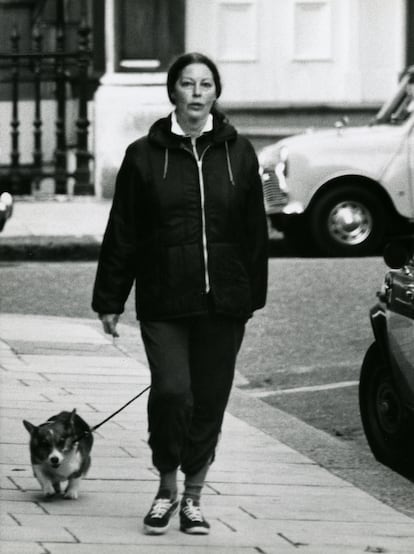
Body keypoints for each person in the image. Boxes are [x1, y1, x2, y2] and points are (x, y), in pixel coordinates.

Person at [92, 52, 268, 536]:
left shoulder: (241, 153)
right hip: (165, 297)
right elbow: (122, 231)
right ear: (173, 92)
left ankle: (193, 497)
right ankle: (165, 486)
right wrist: (110, 298)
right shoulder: (143, 156)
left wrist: (250, 296)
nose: (196, 92)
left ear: (216, 93)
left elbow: (256, 229)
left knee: (209, 400)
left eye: (205, 84)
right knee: (172, 392)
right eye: (187, 84)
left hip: (223, 302)